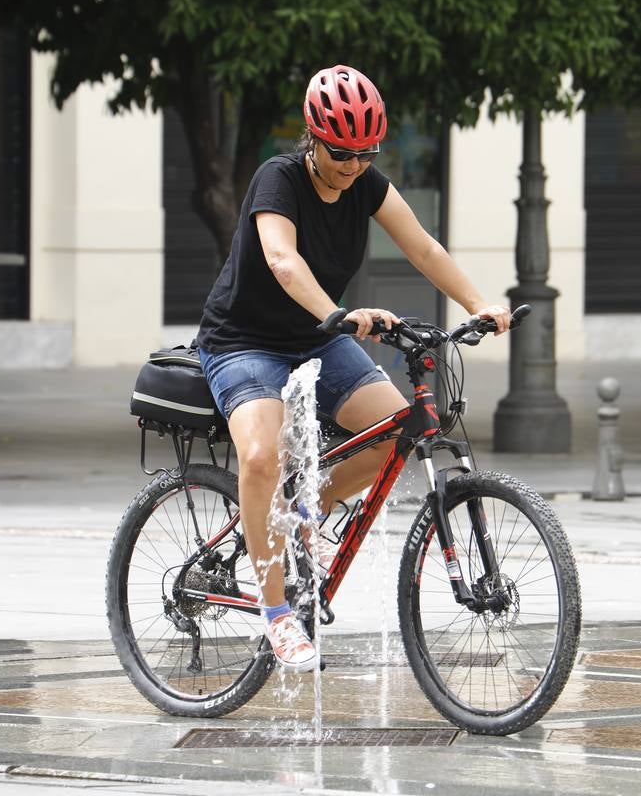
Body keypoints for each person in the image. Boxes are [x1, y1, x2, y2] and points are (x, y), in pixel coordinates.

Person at [195, 64, 510, 672]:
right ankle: (278, 614)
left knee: (402, 428)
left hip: (318, 337)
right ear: (313, 137)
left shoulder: (367, 185)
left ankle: (303, 508)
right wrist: (338, 313)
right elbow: (283, 261)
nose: (354, 164)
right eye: (341, 151)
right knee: (262, 458)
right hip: (244, 342)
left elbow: (422, 246)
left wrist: (479, 305)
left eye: (366, 153)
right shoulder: (277, 180)